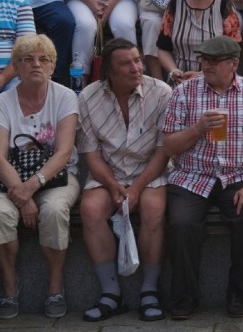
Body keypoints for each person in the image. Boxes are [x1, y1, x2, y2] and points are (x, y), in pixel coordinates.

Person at [162, 35, 243, 320]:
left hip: (235, 175)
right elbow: (168, 146)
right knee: (181, 224)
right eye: (203, 59)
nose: (206, 65)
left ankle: (237, 291)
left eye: (213, 60)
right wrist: (198, 129)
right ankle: (185, 296)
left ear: (234, 63)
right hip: (191, 175)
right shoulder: (184, 91)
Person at [78, 39, 171, 322]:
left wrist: (138, 187)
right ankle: (111, 294)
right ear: (108, 70)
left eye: (137, 60)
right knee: (91, 209)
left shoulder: (161, 92)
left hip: (150, 169)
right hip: (109, 172)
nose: (136, 68)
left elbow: (163, 151)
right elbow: (91, 154)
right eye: (126, 63)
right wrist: (114, 186)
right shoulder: (88, 97)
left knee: (154, 209)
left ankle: (149, 291)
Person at [0, 35, 80, 320]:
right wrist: (22, 197)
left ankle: (55, 286)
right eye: (27, 59)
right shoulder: (4, 101)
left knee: (55, 211)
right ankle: (9, 287)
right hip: (11, 178)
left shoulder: (65, 96)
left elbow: (63, 152)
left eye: (43, 59)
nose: (36, 64)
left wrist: (32, 187)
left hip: (56, 176)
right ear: (17, 67)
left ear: (52, 66)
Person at [157, 0, 242, 84]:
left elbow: (233, 53)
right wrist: (173, 71)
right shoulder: (175, 4)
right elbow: (163, 49)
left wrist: (201, 74)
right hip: (180, 81)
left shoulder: (224, 5)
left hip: (216, 81)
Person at [0, 0, 36, 93]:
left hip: (10, 76)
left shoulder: (19, 2)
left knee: (16, 92)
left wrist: (2, 78)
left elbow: (26, 49)